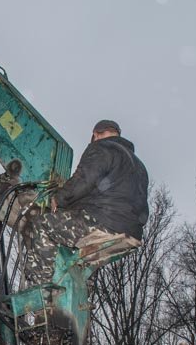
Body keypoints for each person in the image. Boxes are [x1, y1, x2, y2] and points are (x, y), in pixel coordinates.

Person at [22, 119, 148, 285]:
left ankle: (40, 287)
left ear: (95, 134)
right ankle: (82, 286)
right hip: (133, 232)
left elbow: (83, 180)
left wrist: (58, 198)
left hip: (104, 223)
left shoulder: (101, 148)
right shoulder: (139, 165)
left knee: (42, 224)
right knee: (80, 257)